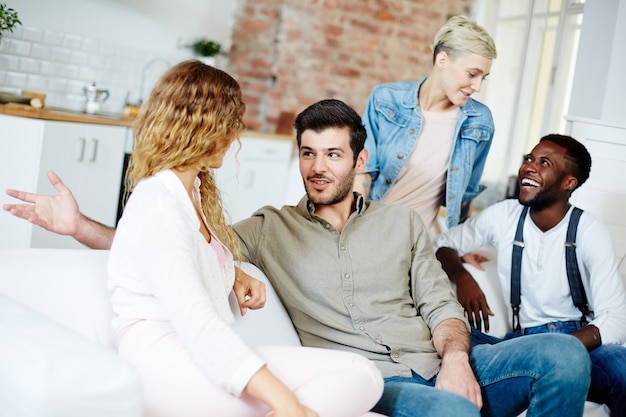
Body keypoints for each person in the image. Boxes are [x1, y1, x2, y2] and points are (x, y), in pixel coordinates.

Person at [4, 100, 592, 417]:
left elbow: (439, 303)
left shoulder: (399, 223)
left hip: (434, 356)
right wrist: (79, 226)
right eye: (308, 153)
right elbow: (170, 245)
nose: (317, 167)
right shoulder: (269, 228)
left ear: (360, 162)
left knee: (564, 354)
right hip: (377, 379)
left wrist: (458, 359)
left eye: (333, 154)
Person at [52, 60, 387, 417]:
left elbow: (182, 259)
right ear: (201, 126)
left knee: (363, 375)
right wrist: (288, 404)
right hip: (165, 365)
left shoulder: (190, 192)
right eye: (230, 124)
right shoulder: (157, 202)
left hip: (195, 354)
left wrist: (234, 274)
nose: (235, 135)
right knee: (338, 387)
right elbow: (198, 324)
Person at [436, 134, 626, 416]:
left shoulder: (588, 230)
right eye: (529, 159)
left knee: (621, 366)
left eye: (544, 163)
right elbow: (443, 245)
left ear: (568, 183)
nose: (529, 167)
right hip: (520, 341)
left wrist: (556, 350)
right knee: (452, 345)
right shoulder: (504, 215)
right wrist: (463, 278)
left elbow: (616, 320)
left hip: (580, 340)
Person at [357, 15, 497, 231]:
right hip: (367, 227)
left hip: (413, 245)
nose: (477, 86)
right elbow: (363, 172)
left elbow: (465, 195)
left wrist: (462, 247)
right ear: (442, 60)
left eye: (483, 78)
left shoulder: (479, 122)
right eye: (472, 74)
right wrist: (350, 229)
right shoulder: (385, 99)